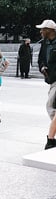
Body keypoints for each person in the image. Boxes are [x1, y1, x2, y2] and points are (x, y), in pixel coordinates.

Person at [37, 19, 56, 150]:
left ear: (50, 30)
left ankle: (50, 139)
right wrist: (43, 67)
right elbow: (40, 59)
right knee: (51, 108)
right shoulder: (44, 43)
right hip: (51, 79)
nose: (41, 31)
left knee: (51, 106)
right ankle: (51, 137)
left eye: (43, 29)